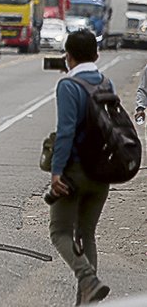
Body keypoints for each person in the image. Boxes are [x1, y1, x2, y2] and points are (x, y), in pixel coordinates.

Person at [49, 28, 111, 304]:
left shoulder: (68, 86)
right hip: (103, 171)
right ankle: (87, 301)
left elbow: (65, 132)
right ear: (96, 55)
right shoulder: (104, 83)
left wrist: (56, 172)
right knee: (87, 234)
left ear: (68, 57)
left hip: (74, 172)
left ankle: (87, 279)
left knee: (60, 231)